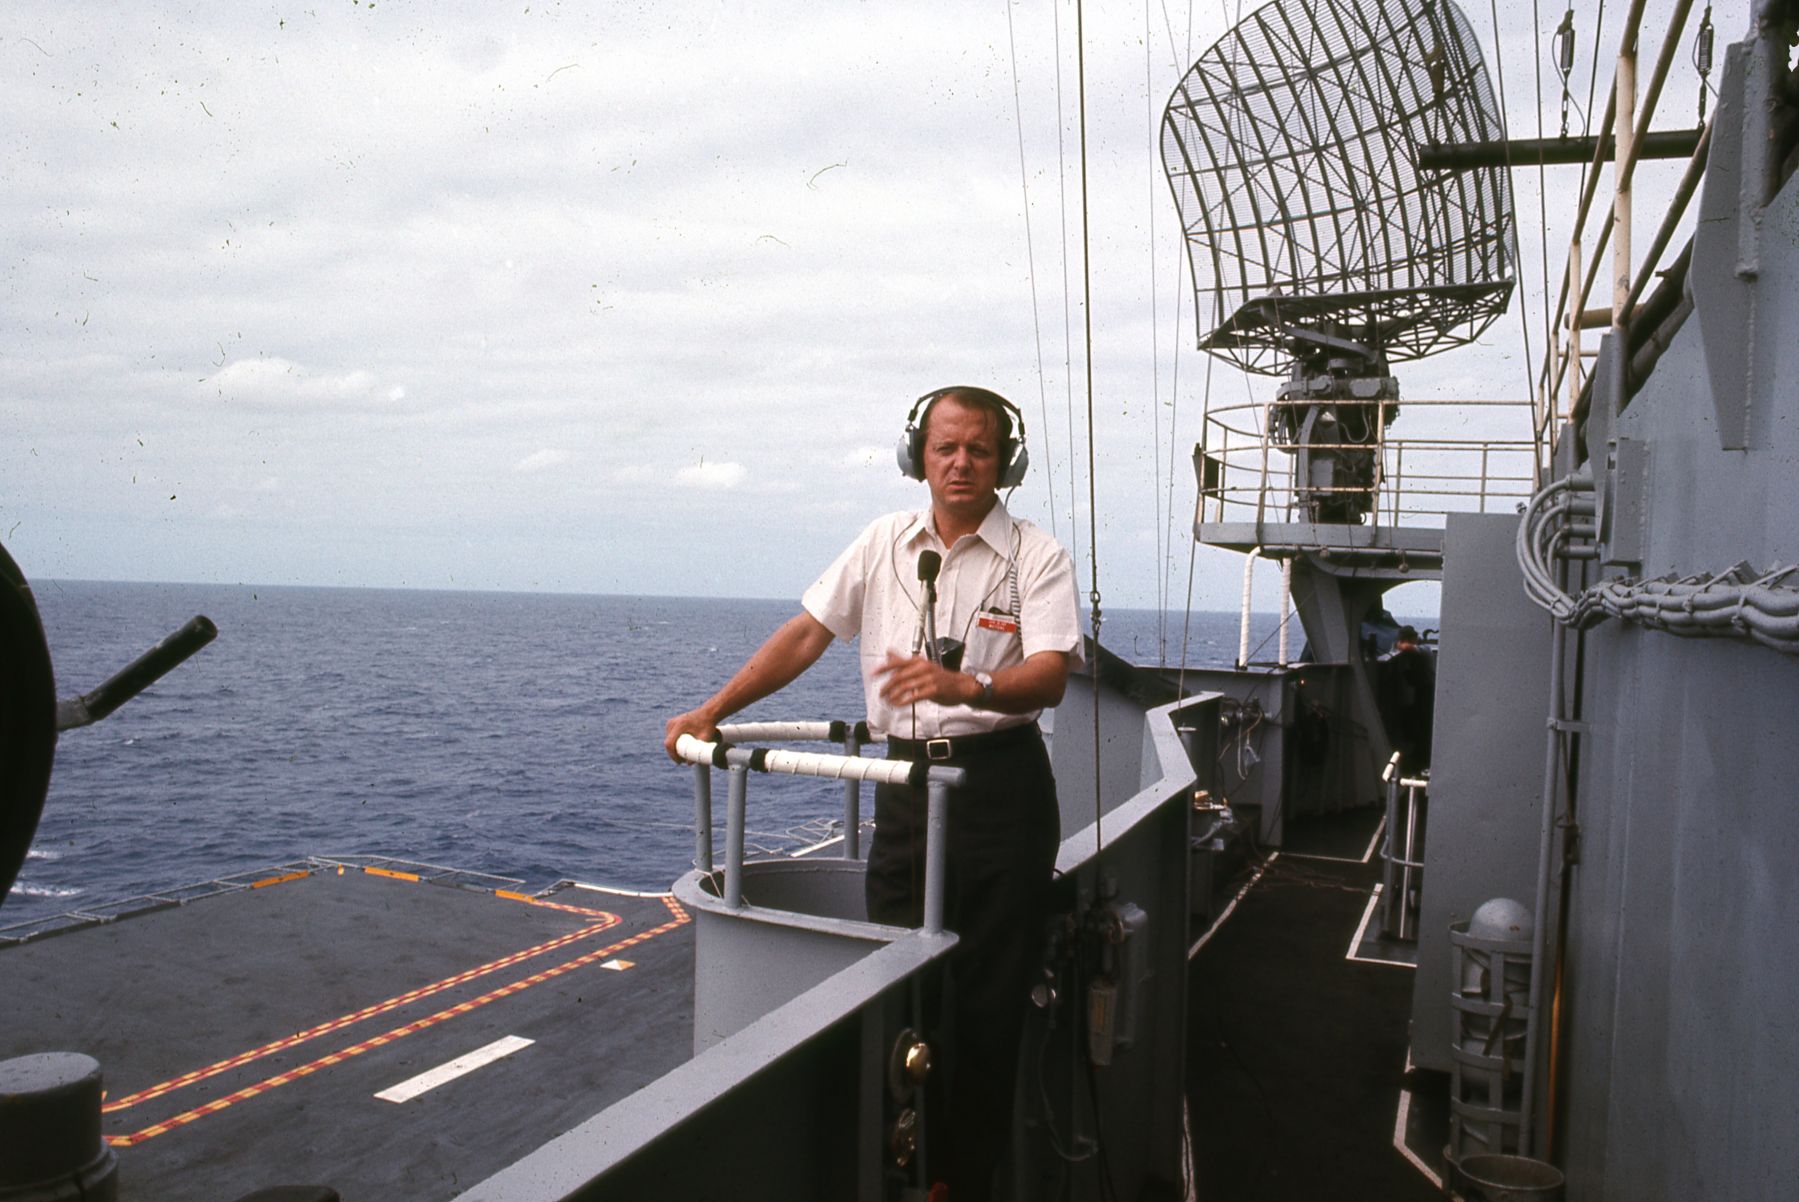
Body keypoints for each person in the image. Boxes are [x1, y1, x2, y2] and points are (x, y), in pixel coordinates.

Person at [663, 385, 1082, 1199]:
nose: (960, 463)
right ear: (916, 456)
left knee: (990, 1000)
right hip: (906, 787)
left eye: (979, 450)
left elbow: (1050, 675)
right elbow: (806, 634)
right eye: (944, 447)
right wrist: (714, 711)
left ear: (1006, 463)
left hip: (1000, 790)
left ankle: (958, 1181)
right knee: (896, 976)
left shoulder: (1035, 555)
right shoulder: (883, 541)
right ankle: (896, 1165)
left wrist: (969, 687)